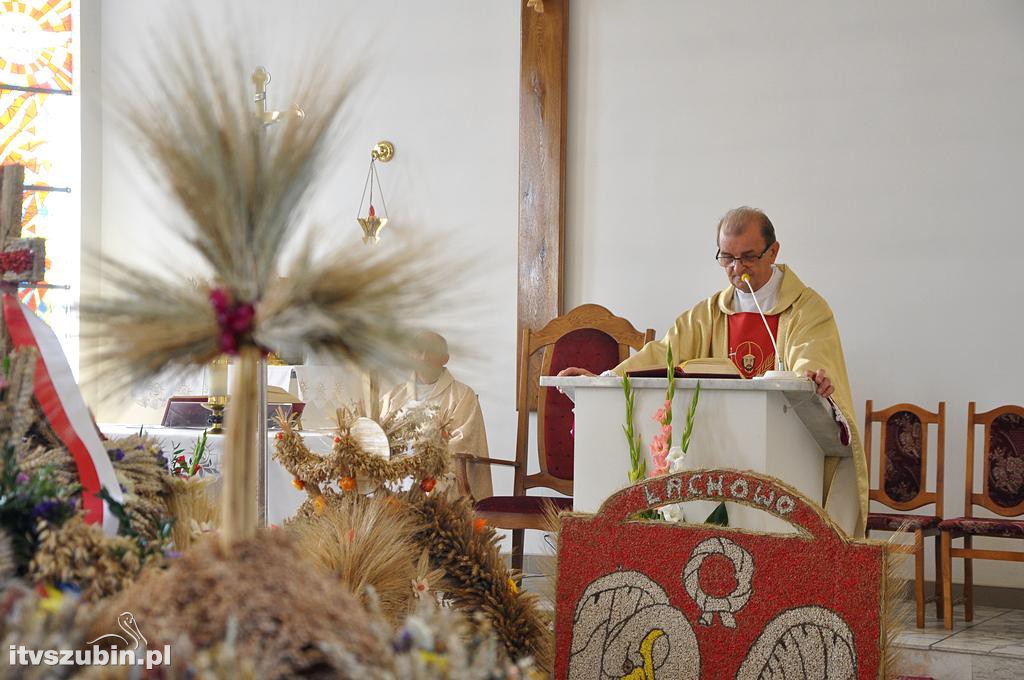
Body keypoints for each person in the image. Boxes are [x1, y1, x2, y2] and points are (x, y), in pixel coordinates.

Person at [559, 206, 867, 537]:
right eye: (727, 258)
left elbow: (809, 355)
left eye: (748, 257)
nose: (737, 269)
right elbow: (663, 353)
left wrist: (810, 376)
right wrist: (604, 378)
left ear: (773, 251)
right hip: (725, 449)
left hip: (785, 449)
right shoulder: (707, 314)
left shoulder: (806, 308)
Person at [380, 330, 493, 500]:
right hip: (395, 472)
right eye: (418, 351)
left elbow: (463, 441)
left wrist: (423, 460)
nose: (423, 357)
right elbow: (377, 435)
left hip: (438, 473)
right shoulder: (394, 396)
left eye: (431, 351)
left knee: (428, 490)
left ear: (445, 358)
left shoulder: (462, 395)